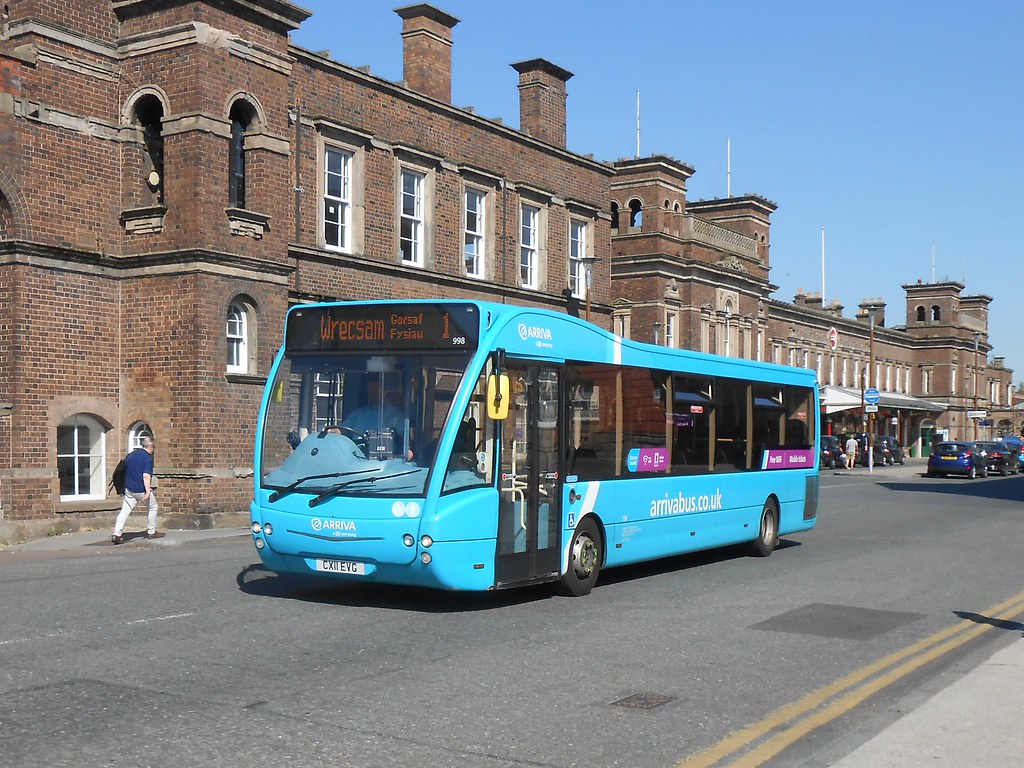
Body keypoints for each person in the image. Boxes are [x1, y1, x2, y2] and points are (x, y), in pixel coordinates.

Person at [111, 437, 164, 544]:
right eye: (154, 447)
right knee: (153, 507)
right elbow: (146, 476)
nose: (154, 449)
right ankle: (151, 531)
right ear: (150, 446)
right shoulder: (147, 458)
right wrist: (148, 491)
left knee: (125, 511)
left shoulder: (132, 455)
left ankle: (117, 534)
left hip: (129, 488)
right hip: (140, 489)